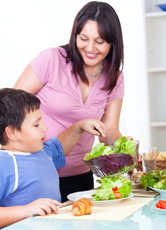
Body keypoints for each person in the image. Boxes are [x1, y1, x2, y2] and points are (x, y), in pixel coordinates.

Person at [14, 1, 125, 202]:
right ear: (75, 36)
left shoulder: (114, 77)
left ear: (112, 42)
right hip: (38, 173)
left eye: (99, 42)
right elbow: (11, 108)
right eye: (83, 38)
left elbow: (109, 130)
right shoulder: (52, 59)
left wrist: (126, 151)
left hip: (80, 176)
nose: (90, 48)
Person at [0, 88, 105, 228]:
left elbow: (59, 146)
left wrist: (80, 126)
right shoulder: (5, 164)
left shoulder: (41, 152)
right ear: (12, 133)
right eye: (36, 125)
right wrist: (25, 210)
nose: (44, 127)